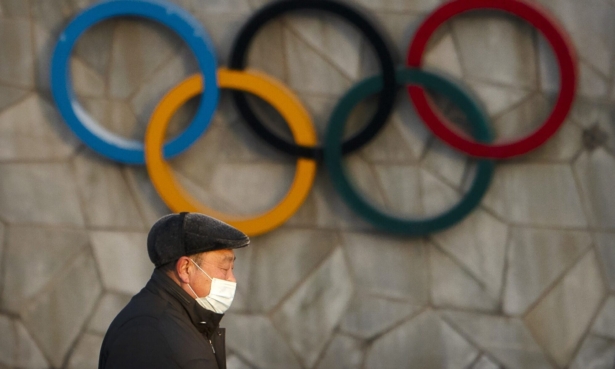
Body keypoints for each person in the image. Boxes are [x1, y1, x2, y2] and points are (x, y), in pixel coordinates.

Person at [98, 212, 249, 369]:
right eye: (224, 268)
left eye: (232, 268)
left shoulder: (188, 323)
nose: (232, 279)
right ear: (185, 269)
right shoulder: (146, 333)